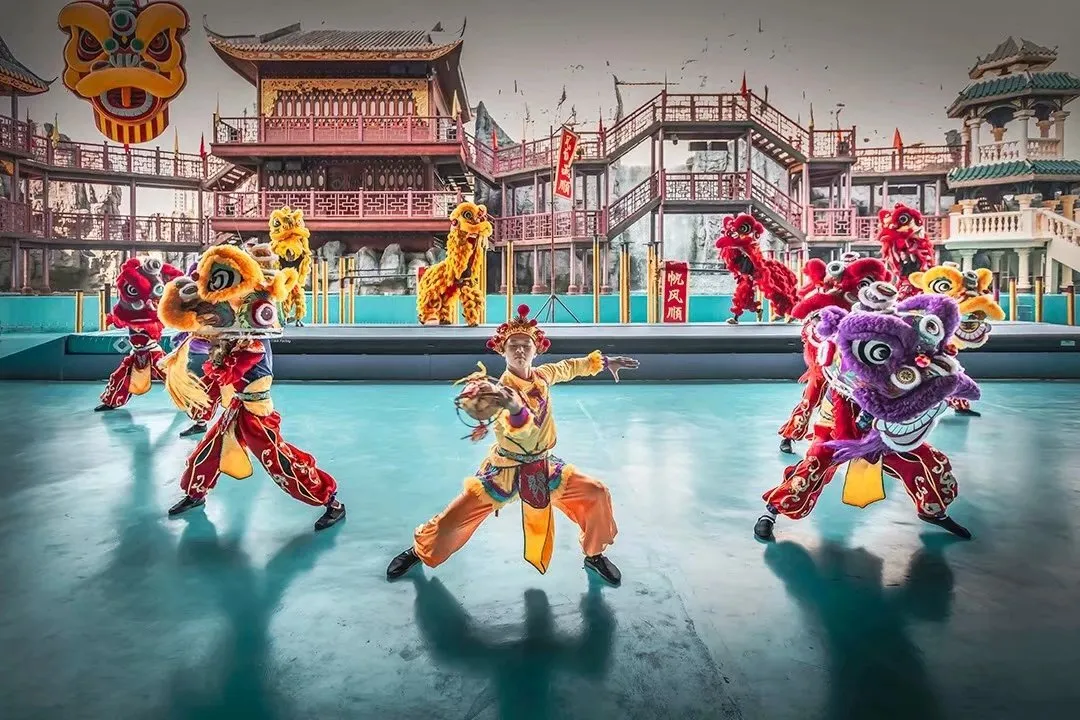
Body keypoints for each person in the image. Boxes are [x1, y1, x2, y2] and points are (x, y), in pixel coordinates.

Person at [386, 304, 638, 585]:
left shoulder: (543, 376)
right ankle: (419, 550)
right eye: (513, 345)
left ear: (536, 350)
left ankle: (594, 554)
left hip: (544, 467)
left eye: (525, 345)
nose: (520, 350)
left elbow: (570, 367)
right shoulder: (499, 393)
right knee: (452, 521)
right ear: (502, 352)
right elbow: (522, 432)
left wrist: (605, 361)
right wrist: (513, 407)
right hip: (504, 470)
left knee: (596, 493)